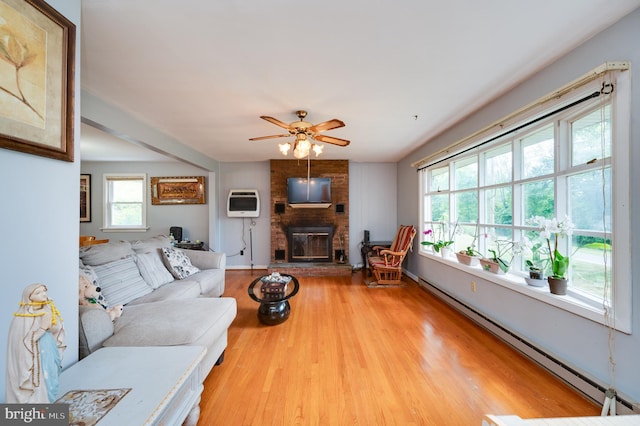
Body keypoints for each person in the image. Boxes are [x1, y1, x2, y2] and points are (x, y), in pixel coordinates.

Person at [5, 283, 66, 403]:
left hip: (49, 349)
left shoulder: (48, 310)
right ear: (29, 297)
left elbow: (56, 330)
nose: (43, 294)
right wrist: (42, 328)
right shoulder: (22, 317)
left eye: (44, 291)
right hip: (35, 355)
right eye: (38, 293)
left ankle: (48, 402)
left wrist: (52, 320)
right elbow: (24, 342)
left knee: (52, 374)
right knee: (42, 379)